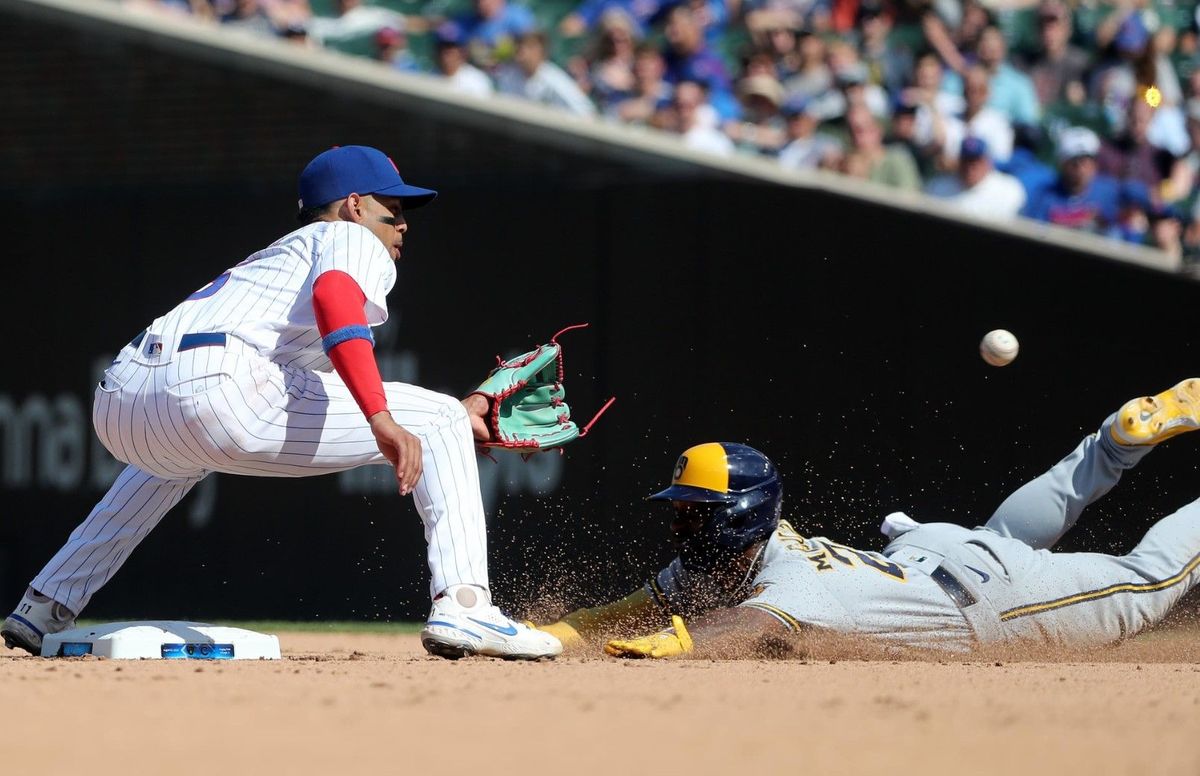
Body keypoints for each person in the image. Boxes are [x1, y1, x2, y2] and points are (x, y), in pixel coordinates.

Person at [1, 145, 561, 662]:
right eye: (392, 210)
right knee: (438, 416)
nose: (403, 223)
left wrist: (448, 429)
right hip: (219, 387)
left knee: (170, 463)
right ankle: (465, 608)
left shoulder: (275, 259)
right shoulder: (348, 238)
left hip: (121, 397)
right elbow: (335, 299)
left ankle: (46, 604)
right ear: (354, 205)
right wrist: (383, 418)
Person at [534, 379, 1200, 658]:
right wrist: (544, 638)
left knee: (1147, 583)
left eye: (692, 515)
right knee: (999, 538)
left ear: (733, 520)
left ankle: (1118, 445)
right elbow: (626, 611)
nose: (680, 528)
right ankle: (1114, 442)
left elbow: (744, 628)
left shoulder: (792, 581)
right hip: (939, 557)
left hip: (994, 599)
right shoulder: (748, 553)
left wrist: (678, 644)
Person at [924, 136, 1026, 221]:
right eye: (966, 161)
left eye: (975, 161)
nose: (970, 167)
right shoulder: (938, 187)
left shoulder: (1009, 190)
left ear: (987, 162)